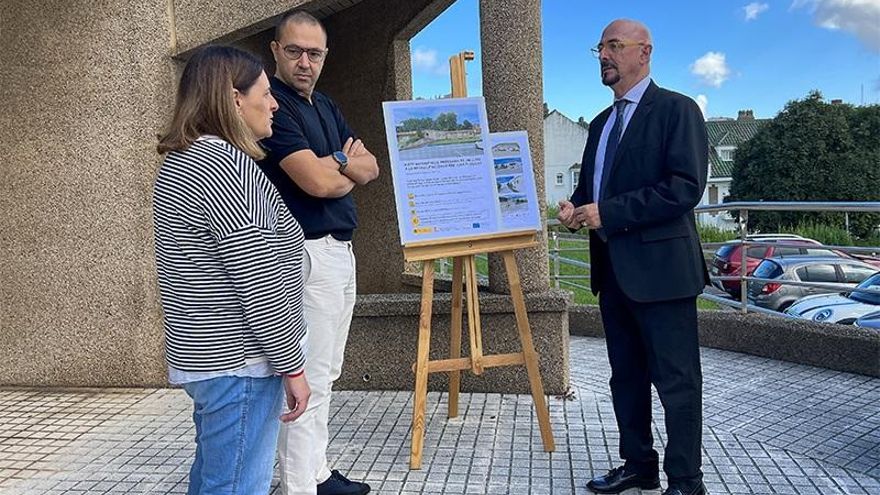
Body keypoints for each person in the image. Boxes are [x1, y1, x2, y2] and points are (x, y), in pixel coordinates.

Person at [558, 19, 710, 495]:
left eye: (614, 46)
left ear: (644, 53)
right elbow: (595, 190)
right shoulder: (601, 123)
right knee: (626, 378)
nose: (604, 54)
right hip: (613, 272)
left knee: (676, 381)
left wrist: (608, 212)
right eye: (600, 46)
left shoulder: (676, 110)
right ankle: (638, 465)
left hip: (664, 274)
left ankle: (685, 480)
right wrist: (576, 207)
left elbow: (685, 188)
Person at [153, 45, 311, 494]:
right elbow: (261, 283)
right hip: (238, 361)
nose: (275, 102)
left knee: (215, 480)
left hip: (206, 360)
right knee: (237, 486)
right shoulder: (227, 168)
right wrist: (292, 367)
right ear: (233, 98)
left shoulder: (182, 161)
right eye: (265, 91)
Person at [258, 10, 379, 495]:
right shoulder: (274, 107)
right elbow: (315, 181)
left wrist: (341, 163)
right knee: (304, 377)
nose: (305, 62)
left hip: (339, 251)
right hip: (305, 253)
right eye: (294, 51)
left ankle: (316, 472)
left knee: (326, 371)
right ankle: (297, 485)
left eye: (315, 53)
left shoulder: (326, 105)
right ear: (275, 52)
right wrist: (343, 163)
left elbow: (369, 168)